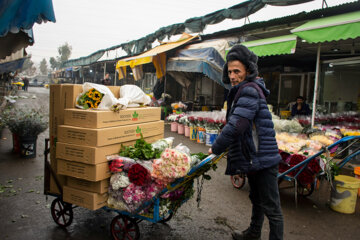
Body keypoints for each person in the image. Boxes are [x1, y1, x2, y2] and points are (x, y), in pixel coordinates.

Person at [208, 45, 283, 240]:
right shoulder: (244, 89)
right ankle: (253, 233)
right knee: (257, 199)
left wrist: (215, 148)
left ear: (248, 71)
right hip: (255, 157)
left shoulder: (248, 89)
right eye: (230, 71)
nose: (232, 76)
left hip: (264, 158)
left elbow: (237, 125)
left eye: (237, 71)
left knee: (272, 208)